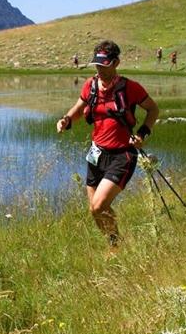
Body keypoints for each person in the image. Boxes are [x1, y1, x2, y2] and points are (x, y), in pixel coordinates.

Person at [56, 40, 159, 252]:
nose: (100, 70)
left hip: (122, 155)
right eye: (97, 65)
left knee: (99, 205)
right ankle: (116, 246)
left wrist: (142, 133)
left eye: (104, 65)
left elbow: (153, 110)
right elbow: (78, 108)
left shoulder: (130, 88)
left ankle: (115, 247)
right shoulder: (91, 85)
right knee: (95, 210)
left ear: (116, 63)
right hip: (96, 154)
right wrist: (66, 120)